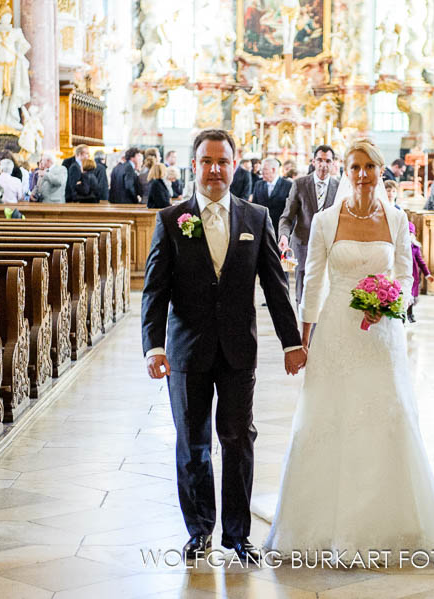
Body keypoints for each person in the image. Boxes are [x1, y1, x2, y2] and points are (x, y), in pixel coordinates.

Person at [264, 139, 434, 562]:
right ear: (345, 172)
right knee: (329, 416)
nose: (364, 174)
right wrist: (302, 340)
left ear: (381, 170)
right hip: (336, 329)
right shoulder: (326, 221)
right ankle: (320, 523)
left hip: (381, 333)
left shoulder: (397, 217)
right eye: (356, 167)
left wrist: (393, 303)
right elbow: (313, 280)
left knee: (385, 414)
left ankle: (388, 520)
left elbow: (406, 275)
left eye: (371, 166)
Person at [142, 128, 306, 564]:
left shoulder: (256, 217)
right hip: (187, 350)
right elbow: (154, 291)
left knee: (237, 441)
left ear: (235, 165)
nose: (215, 170)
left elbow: (275, 284)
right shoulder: (171, 219)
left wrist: (292, 341)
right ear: (193, 166)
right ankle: (199, 531)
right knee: (193, 442)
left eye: (223, 161)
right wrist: (153, 347)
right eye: (206, 161)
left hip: (237, 350)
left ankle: (237, 534)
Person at [278, 145, 339, 305]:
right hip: (303, 245)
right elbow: (287, 217)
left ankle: (319, 330)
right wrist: (284, 236)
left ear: (333, 164)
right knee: (303, 295)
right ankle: (303, 328)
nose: (323, 165)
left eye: (328, 161)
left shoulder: (338, 187)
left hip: (328, 249)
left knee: (326, 295)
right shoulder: (300, 184)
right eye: (319, 160)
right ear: (313, 161)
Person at [252, 157, 292, 233]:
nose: (261, 172)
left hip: (280, 229)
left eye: (264, 169)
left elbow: (290, 211)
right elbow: (254, 206)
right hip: (262, 229)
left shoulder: (288, 185)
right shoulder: (258, 184)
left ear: (273, 170)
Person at [407, 221, 433, 323]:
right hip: (401, 273)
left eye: (410, 233)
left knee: (411, 295)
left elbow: (421, 262)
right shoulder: (399, 245)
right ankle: (402, 315)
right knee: (402, 293)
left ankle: (410, 314)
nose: (408, 235)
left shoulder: (415, 247)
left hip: (413, 275)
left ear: (413, 235)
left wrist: (427, 274)